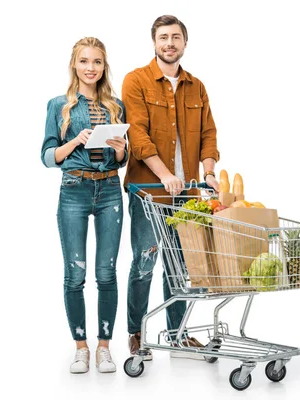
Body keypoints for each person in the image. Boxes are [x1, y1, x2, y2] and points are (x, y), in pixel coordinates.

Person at [122, 15, 220, 360]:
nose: (169, 43)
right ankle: (137, 334)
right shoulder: (136, 81)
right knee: (144, 263)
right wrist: (164, 174)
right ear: (154, 42)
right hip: (148, 190)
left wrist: (208, 173)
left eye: (176, 37)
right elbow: (137, 134)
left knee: (180, 265)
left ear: (184, 43)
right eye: (163, 37)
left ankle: (177, 335)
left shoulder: (197, 86)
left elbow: (209, 134)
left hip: (188, 192)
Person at [41, 37, 127, 374]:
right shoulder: (58, 105)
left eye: (97, 62)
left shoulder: (115, 105)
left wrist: (120, 150)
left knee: (106, 273)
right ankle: (81, 347)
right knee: (74, 273)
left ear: (104, 67)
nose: (90, 68)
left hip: (108, 190)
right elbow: (48, 156)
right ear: (74, 65)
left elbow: (120, 160)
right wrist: (74, 141)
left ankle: (104, 347)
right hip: (74, 190)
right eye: (84, 61)